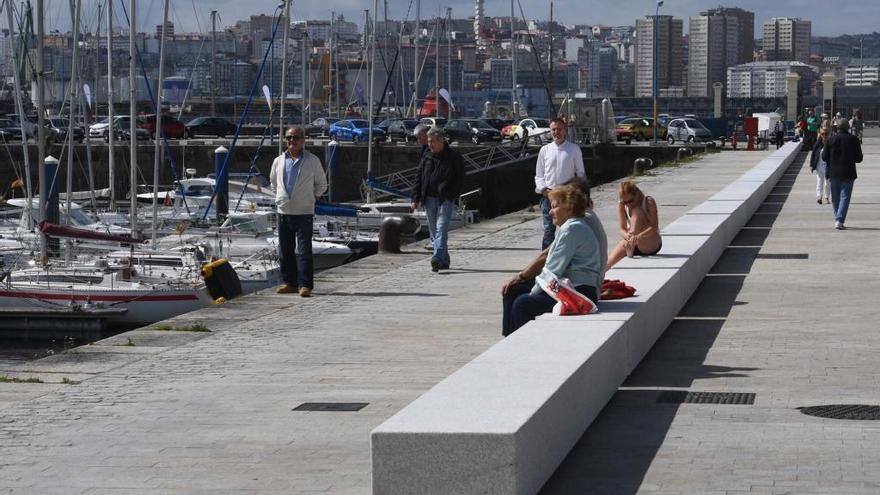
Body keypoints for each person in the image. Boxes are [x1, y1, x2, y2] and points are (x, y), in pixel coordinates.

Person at [500, 183, 602, 336]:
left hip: (579, 292)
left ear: (569, 207)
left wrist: (532, 293)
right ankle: (509, 341)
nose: (550, 211)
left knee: (522, 304)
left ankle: (523, 346)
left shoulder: (571, 229)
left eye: (554, 207)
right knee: (513, 290)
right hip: (572, 286)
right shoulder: (572, 226)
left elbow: (553, 269)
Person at [271, 126, 328, 297]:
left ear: (303, 140)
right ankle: (290, 283)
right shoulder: (279, 161)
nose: (291, 141)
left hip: (304, 212)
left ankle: (305, 285)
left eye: (295, 138)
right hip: (284, 211)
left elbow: (322, 185)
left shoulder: (312, 160)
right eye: (288, 138)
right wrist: (280, 198)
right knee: (285, 250)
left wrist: (311, 197)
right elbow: (273, 183)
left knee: (304, 250)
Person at [411, 128, 465, 271]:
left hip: (445, 199)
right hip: (428, 198)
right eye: (428, 141)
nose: (430, 144)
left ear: (441, 140)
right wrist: (415, 197)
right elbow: (419, 177)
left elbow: (460, 178)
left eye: (432, 141)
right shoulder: (427, 156)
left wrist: (452, 194)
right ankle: (444, 260)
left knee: (441, 229)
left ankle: (437, 258)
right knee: (434, 231)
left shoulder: (453, 157)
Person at [534, 118, 586, 249]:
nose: (556, 132)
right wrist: (544, 190)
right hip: (549, 195)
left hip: (567, 196)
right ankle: (546, 260)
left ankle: (568, 255)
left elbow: (580, 174)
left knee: (568, 229)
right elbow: (539, 175)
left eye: (559, 129)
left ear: (565, 130)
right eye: (553, 129)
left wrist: (583, 195)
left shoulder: (574, 149)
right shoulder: (544, 150)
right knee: (548, 229)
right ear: (550, 131)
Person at [605, 180, 661, 271]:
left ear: (637, 194)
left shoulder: (648, 201)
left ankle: (631, 247)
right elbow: (621, 229)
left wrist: (638, 237)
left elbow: (654, 227)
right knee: (608, 263)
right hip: (632, 241)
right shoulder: (622, 204)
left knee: (636, 211)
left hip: (650, 242)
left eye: (630, 201)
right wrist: (628, 237)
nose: (628, 204)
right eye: (625, 202)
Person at [822, 119, 863, 230]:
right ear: (848, 127)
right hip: (849, 172)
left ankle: (838, 219)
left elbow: (824, 157)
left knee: (835, 197)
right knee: (845, 197)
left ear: (837, 127)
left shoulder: (830, 139)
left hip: (834, 173)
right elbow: (859, 158)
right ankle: (839, 220)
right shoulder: (854, 139)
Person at [810, 128, 831, 204]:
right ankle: (819, 196)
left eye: (826, 134)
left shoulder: (831, 143)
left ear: (829, 135)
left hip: (828, 167)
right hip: (819, 166)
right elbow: (813, 154)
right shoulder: (817, 143)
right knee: (819, 181)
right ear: (820, 135)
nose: (824, 136)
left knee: (827, 183)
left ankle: (827, 197)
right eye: (822, 134)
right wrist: (812, 165)